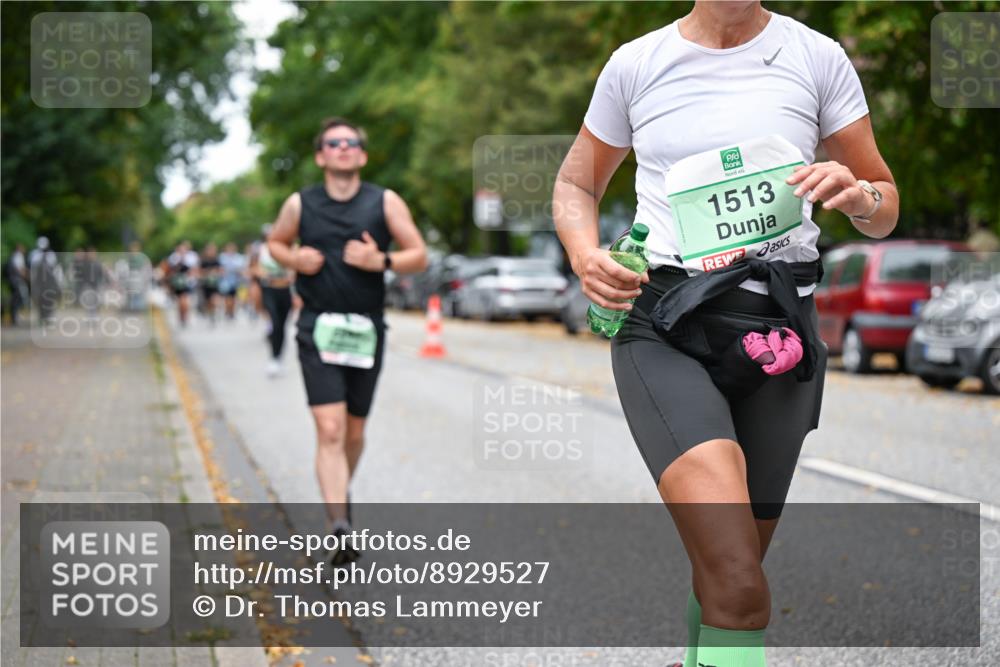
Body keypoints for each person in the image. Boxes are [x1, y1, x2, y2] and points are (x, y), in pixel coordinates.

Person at [553, 3, 898, 666]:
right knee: (740, 583)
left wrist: (859, 197)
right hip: (665, 326)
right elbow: (576, 182)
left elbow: (884, 201)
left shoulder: (817, 57)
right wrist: (583, 252)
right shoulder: (637, 65)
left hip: (779, 335)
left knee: (728, 571)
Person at [267, 117, 428, 564]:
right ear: (321, 156)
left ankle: (339, 489)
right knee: (330, 428)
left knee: (354, 431)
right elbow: (276, 244)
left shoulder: (384, 201)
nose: (343, 148)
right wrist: (293, 257)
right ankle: (338, 523)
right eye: (333, 143)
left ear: (362, 155)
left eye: (351, 142)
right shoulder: (300, 204)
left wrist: (382, 259)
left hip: (365, 328)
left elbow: (418, 256)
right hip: (316, 326)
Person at [252, 225, 294, 377]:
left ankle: (278, 357)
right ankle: (273, 358)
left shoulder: (288, 248)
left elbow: (294, 268)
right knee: (275, 322)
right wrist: (262, 274)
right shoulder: (260, 250)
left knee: (282, 326)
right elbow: (253, 268)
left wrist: (292, 274)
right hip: (269, 290)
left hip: (285, 290)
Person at [164, 241, 199, 327]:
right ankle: (181, 317)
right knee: (180, 302)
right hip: (177, 282)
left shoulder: (192, 257)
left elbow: (194, 269)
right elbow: (169, 270)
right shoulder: (174, 257)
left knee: (184, 301)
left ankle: (185, 318)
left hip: (187, 282)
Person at [218, 242, 246, 320]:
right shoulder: (222, 257)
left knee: (233, 298)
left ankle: (232, 312)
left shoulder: (239, 258)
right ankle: (228, 312)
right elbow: (220, 269)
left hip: (236, 281)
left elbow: (242, 270)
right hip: (225, 282)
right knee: (227, 298)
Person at [198, 242, 223, 324]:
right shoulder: (203, 261)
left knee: (215, 299)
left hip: (215, 283)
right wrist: (207, 273)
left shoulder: (217, 260)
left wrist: (217, 273)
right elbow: (199, 272)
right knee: (208, 301)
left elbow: (221, 271)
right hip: (206, 284)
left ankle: (216, 311)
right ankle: (211, 313)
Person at [4, 243, 28, 326]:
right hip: (16, 281)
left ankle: (13, 317)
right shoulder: (18, 256)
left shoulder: (13, 256)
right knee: (18, 298)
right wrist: (27, 276)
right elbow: (21, 270)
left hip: (12, 281)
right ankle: (14, 317)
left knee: (15, 298)